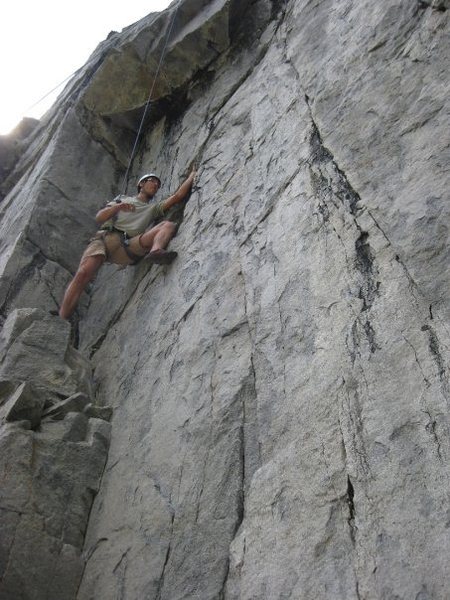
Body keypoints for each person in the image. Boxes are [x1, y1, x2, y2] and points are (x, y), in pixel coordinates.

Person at [59, 168, 196, 320]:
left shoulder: (152, 209)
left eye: (158, 185)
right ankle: (62, 316)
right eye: (152, 182)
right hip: (105, 239)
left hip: (128, 245)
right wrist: (117, 207)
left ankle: (156, 252)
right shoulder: (122, 199)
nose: (156, 186)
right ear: (141, 184)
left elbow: (177, 196)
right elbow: (99, 217)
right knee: (83, 273)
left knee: (168, 226)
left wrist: (192, 176)